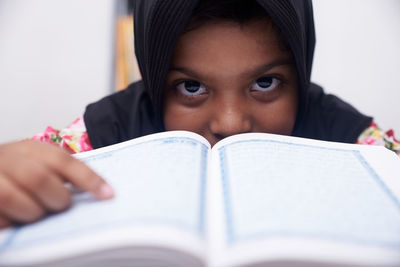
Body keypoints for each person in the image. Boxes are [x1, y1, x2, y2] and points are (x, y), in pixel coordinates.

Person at [0, 0, 398, 229]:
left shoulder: (345, 135)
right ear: (155, 80)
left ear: (300, 69)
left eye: (265, 83)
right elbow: (27, 172)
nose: (230, 123)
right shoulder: (111, 128)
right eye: (191, 87)